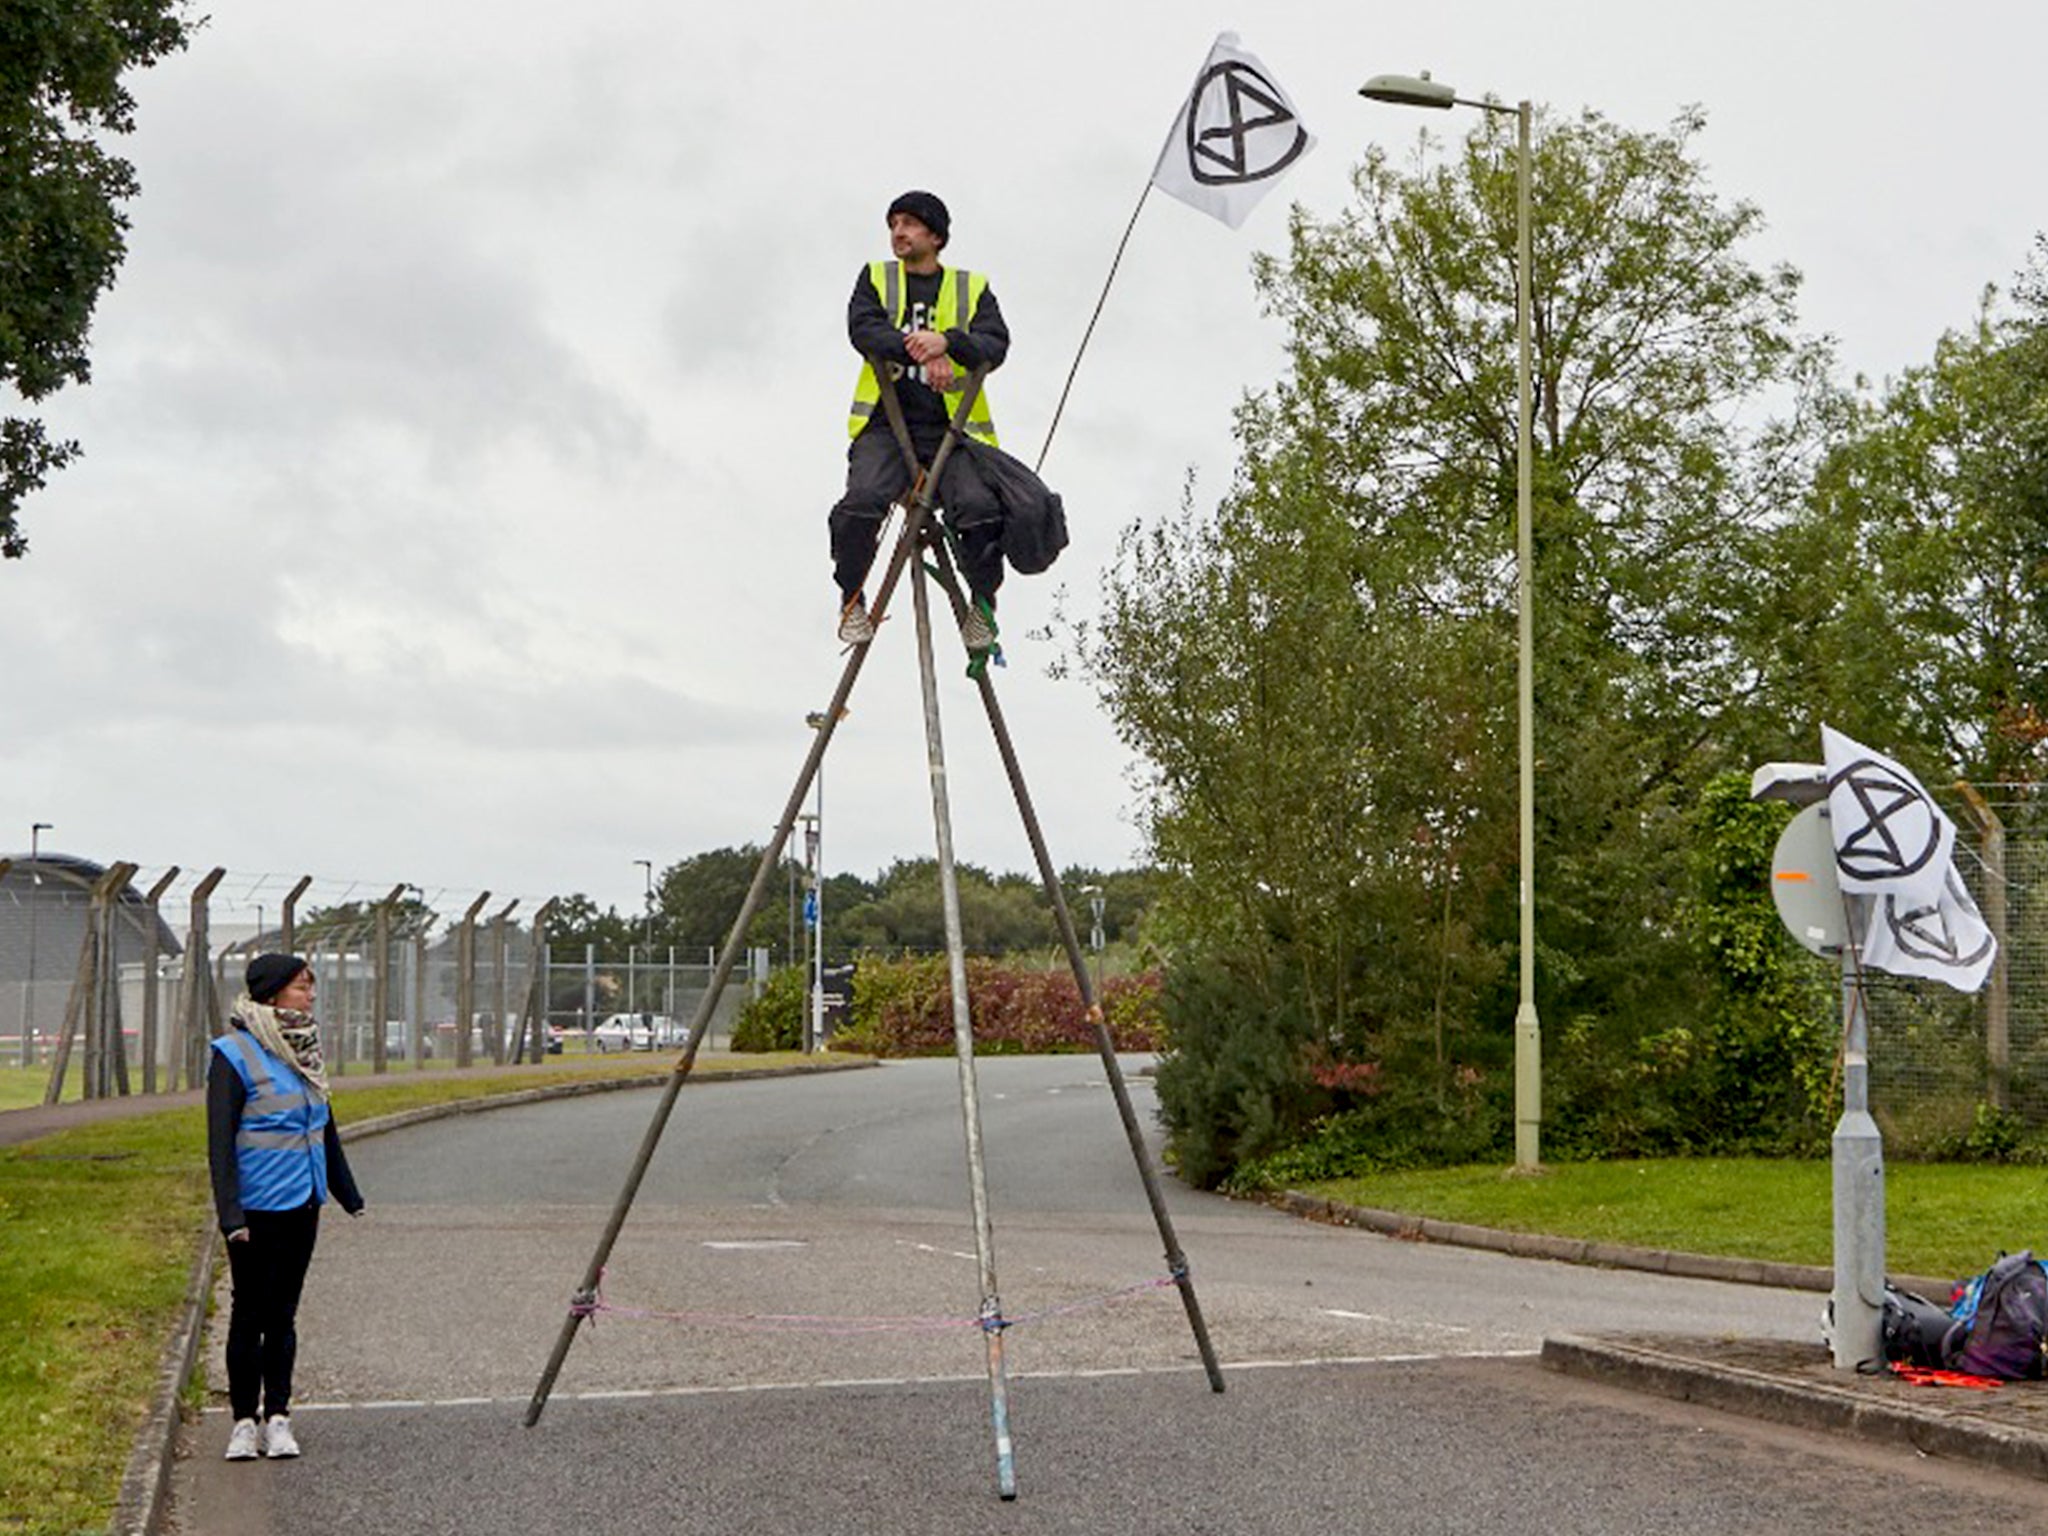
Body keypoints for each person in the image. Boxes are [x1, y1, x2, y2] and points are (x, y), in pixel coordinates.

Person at [830, 190, 1010, 651]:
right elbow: (863, 328)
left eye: (909, 224)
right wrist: (920, 347)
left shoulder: (972, 288)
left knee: (980, 509)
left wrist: (948, 342)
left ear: (935, 234)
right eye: (893, 224)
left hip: (953, 432)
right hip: (887, 426)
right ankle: (852, 600)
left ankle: (982, 605)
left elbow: (996, 344)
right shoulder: (876, 277)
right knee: (860, 503)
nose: (898, 232)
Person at [207, 952, 365, 1461]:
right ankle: (242, 1422)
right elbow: (220, 1143)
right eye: (301, 986)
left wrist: (346, 1191)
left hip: (303, 1201)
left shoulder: (306, 1051)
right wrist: (229, 1215)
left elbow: (324, 1125)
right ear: (273, 994)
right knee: (248, 1311)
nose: (310, 995)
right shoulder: (233, 1054)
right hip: (255, 1209)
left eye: (311, 986)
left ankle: (278, 1416)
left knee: (284, 1314)